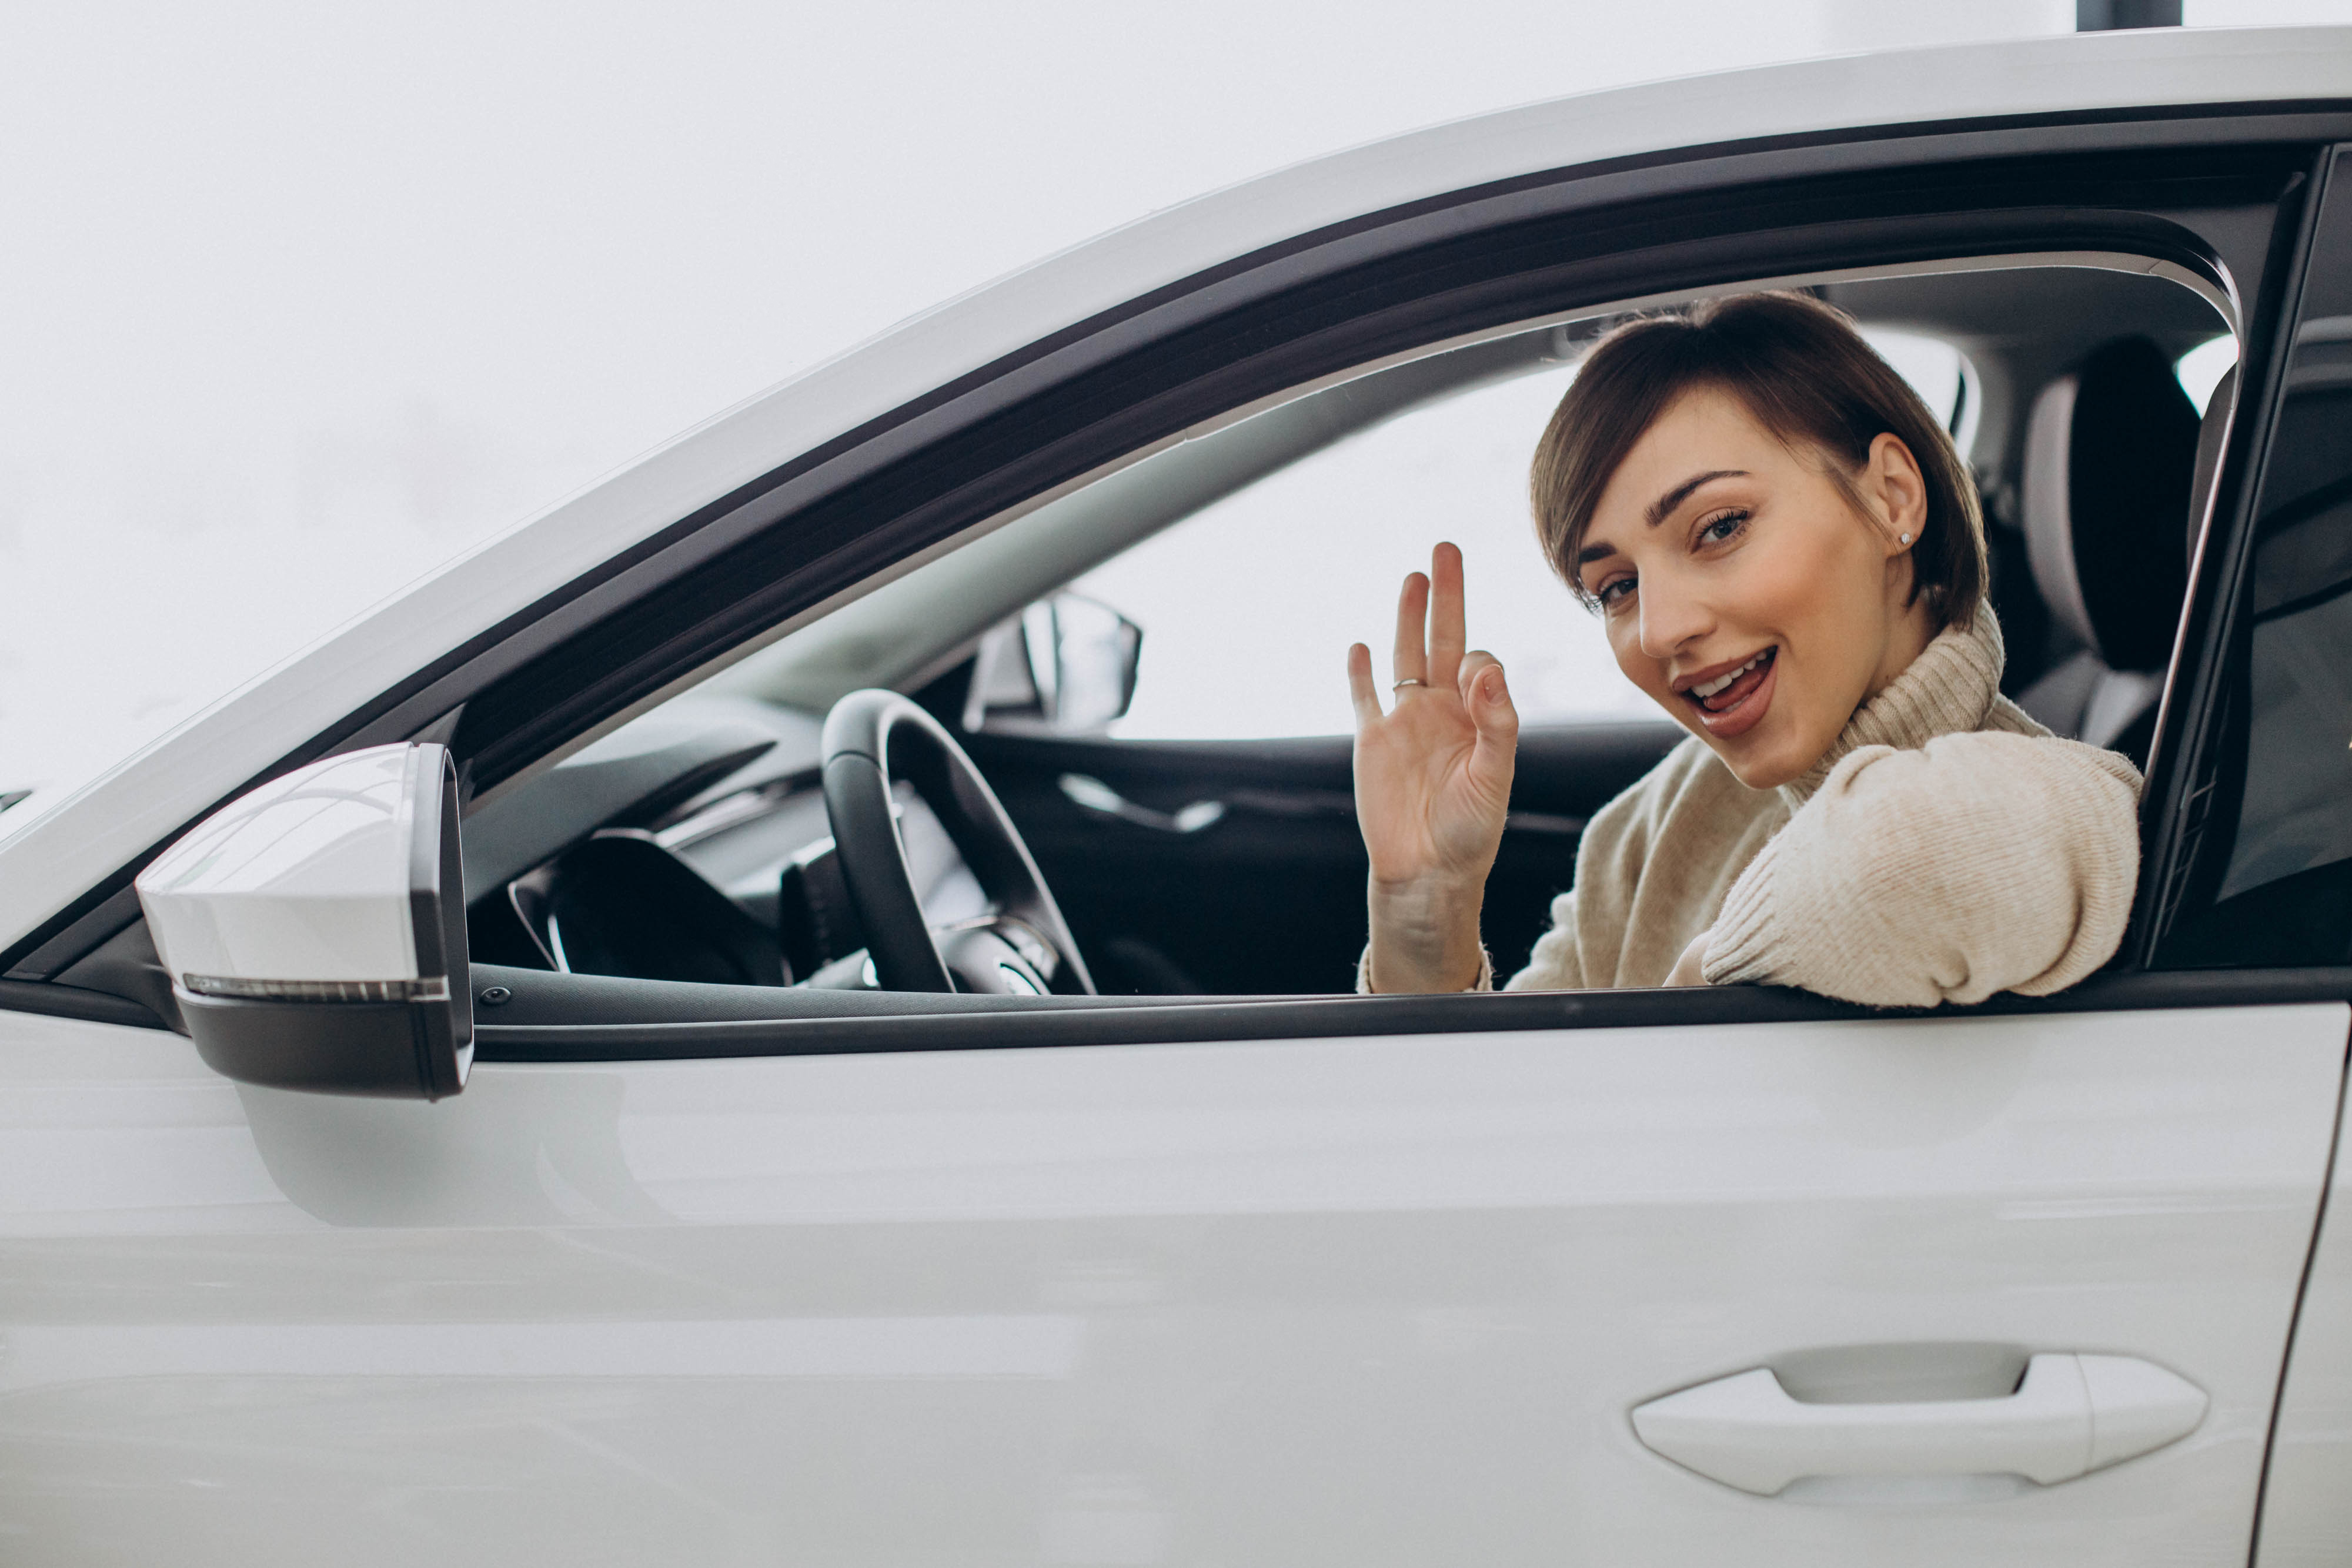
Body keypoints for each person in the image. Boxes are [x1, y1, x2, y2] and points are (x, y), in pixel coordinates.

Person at [1347, 292, 2142, 1007]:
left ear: (1891, 497)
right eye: (1616, 587)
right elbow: (1491, 1140)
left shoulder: (2043, 806)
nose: (1660, 631)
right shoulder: (1660, 823)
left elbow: (1905, 857)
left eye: (1720, 527)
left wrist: (1696, 989)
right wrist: (1427, 916)